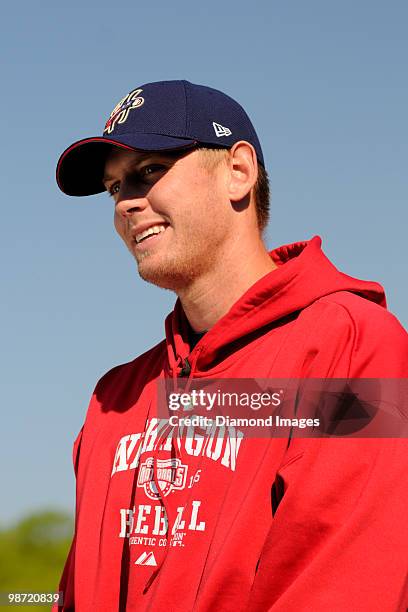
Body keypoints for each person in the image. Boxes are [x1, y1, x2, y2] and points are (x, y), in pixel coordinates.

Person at [55, 80, 408, 611]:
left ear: (238, 171)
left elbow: (345, 586)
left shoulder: (351, 347)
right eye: (114, 188)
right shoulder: (115, 401)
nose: (128, 203)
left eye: (149, 171)